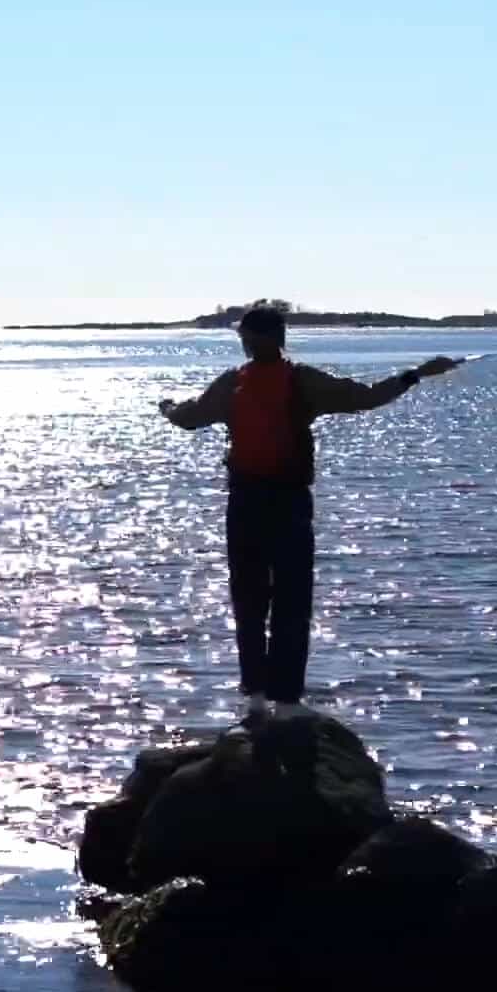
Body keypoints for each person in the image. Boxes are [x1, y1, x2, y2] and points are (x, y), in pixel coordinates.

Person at [157, 305, 458, 720]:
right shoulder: (277, 381)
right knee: (279, 601)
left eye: (246, 335)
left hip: (261, 502)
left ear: (262, 338)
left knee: (262, 601)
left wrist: (170, 408)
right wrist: (416, 374)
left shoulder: (262, 382)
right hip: (273, 502)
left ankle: (266, 697)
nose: (244, 342)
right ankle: (277, 699)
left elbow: (189, 418)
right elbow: (367, 397)